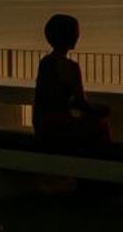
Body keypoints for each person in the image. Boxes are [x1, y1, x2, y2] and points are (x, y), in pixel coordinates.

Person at [33, 13, 111, 146]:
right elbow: (81, 103)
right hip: (61, 128)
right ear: (70, 36)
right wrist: (101, 109)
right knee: (101, 124)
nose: (78, 36)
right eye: (76, 32)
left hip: (42, 125)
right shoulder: (71, 67)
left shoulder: (45, 62)